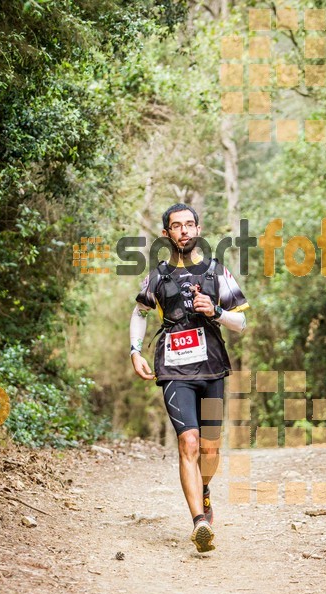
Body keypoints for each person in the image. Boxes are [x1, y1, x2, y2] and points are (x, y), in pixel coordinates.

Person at [129, 203, 249, 553]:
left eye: (189, 224)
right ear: (166, 234)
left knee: (210, 448)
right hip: (174, 369)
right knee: (189, 443)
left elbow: (242, 323)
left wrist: (218, 312)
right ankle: (199, 522)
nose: (184, 231)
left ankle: (205, 489)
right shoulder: (157, 276)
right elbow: (139, 313)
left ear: (198, 229)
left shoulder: (217, 272)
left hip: (211, 367)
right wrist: (135, 351)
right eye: (176, 226)